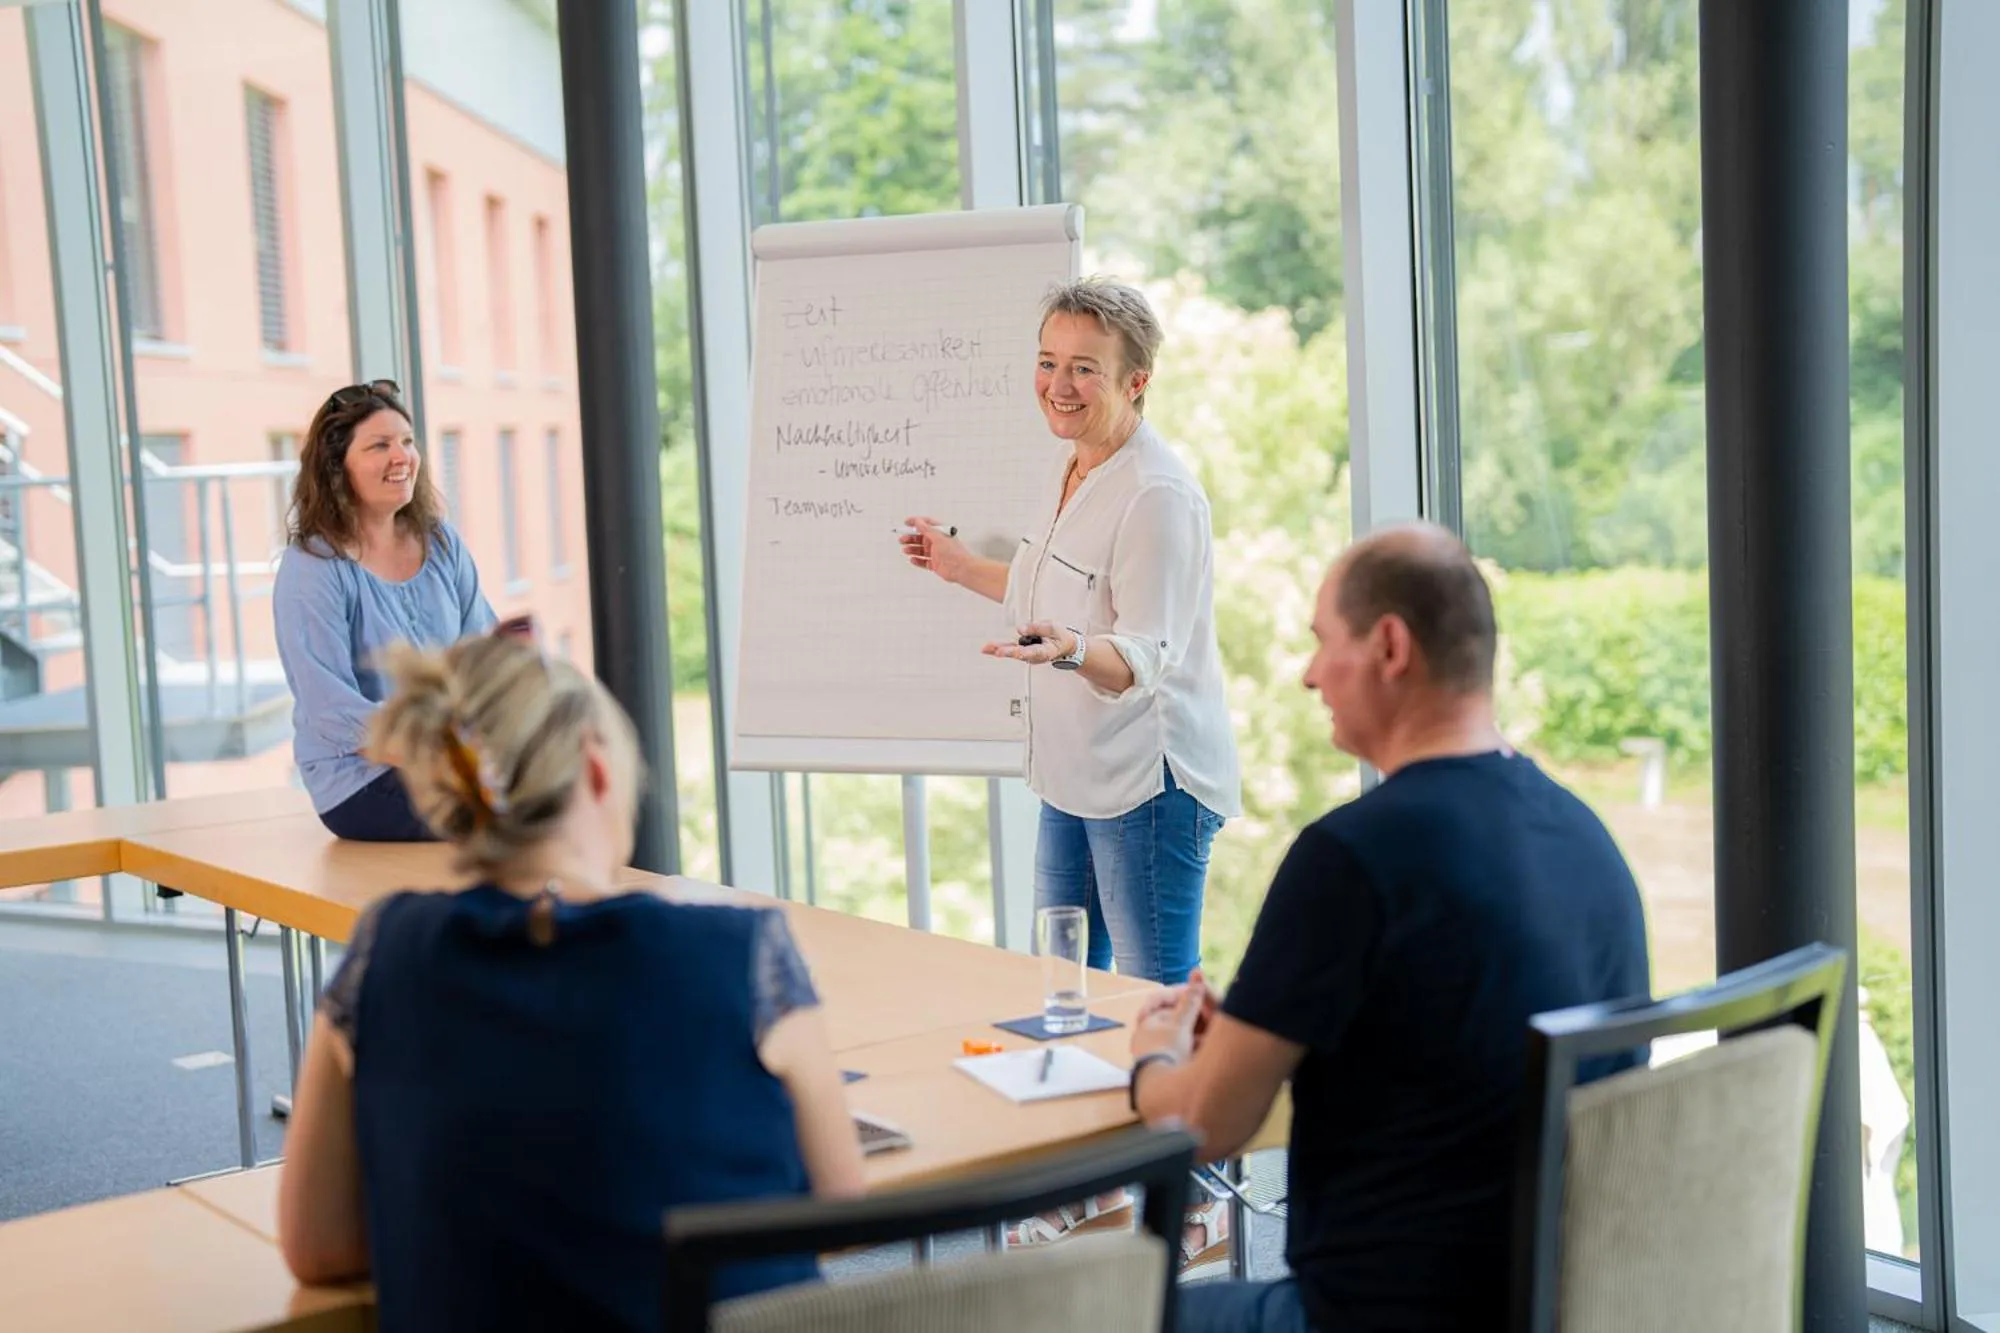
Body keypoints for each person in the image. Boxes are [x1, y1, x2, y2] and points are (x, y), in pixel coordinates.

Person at [1128, 522, 1651, 1332]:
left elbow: (1205, 1123)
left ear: (1390, 646)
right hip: (1551, 1303)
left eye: (1321, 642)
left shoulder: (1351, 855)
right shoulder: (1585, 836)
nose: (1309, 676)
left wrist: (1153, 1055)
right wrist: (1255, 1026)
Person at [278, 634, 866, 1329]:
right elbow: (838, 1214)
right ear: (595, 768)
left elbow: (321, 1248)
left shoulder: (386, 951)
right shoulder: (743, 953)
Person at [898, 278, 1241, 988]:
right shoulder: (1071, 462)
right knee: (1063, 981)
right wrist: (959, 567)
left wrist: (1075, 649)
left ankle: (1176, 1105)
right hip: (1074, 773)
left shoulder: (1157, 496)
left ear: (1135, 380)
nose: (1059, 383)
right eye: (1048, 360)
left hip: (1149, 784)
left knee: (1154, 995)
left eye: (1085, 367)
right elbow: (1045, 590)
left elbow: (1145, 656)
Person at [274, 379, 511, 841]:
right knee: (510, 813)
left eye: (406, 441)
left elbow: (485, 654)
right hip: (359, 782)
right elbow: (330, 711)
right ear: (336, 467)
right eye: (379, 445)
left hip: (454, 757)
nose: (402, 457)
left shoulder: (440, 541)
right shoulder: (313, 568)